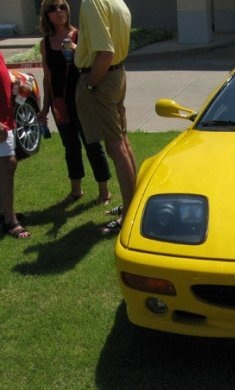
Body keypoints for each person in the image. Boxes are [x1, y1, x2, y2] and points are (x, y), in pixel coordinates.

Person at [39, 0, 112, 204]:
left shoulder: (80, 35)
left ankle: (104, 192)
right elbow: (48, 78)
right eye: (52, 9)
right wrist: (45, 107)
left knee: (92, 144)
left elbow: (92, 61)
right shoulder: (45, 43)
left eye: (62, 6)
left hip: (83, 99)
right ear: (46, 15)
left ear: (68, 10)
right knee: (70, 147)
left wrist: (76, 48)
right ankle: (76, 190)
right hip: (60, 103)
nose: (58, 11)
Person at [75, 0, 135, 234]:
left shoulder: (92, 2)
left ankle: (129, 214)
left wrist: (90, 85)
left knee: (115, 145)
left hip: (101, 79)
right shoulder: (116, 2)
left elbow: (105, 52)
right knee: (122, 141)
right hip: (116, 75)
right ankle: (133, 205)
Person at [0, 52, 31, 239]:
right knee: (8, 163)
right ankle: (10, 220)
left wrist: (14, 86)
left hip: (6, 118)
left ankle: (5, 211)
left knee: (7, 165)